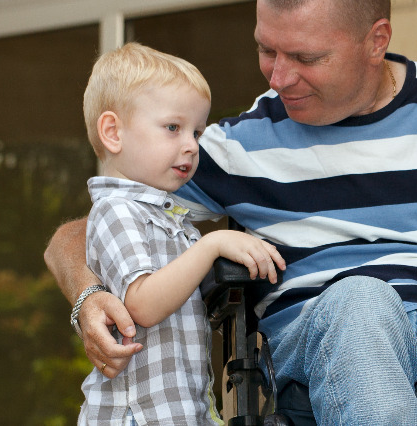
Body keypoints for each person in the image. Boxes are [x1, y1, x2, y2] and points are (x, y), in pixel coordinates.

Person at [44, 0, 417, 424]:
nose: (279, 77)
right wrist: (88, 293)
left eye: (304, 56)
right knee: (362, 299)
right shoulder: (237, 145)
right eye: (265, 50)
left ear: (375, 40)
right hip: (331, 334)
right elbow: (88, 225)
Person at [74, 42, 285, 425]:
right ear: (113, 132)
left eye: (197, 132)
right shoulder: (116, 210)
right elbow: (142, 304)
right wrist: (213, 244)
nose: (191, 145)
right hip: (135, 415)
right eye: (173, 127)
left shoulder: (173, 219)